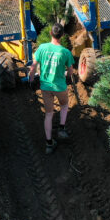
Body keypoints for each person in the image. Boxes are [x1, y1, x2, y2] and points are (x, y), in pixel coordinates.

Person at [28, 23, 76, 153]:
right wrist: (65, 74)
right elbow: (71, 72)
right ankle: (61, 129)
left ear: (50, 33)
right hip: (60, 86)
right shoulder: (65, 52)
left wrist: (31, 79)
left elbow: (33, 67)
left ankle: (49, 144)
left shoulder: (42, 48)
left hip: (45, 87)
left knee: (48, 114)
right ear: (63, 35)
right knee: (64, 105)